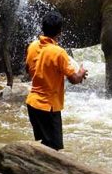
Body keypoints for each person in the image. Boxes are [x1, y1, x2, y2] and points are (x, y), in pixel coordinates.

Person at [25, 10, 88, 151]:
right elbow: (74, 79)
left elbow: (28, 70)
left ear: (43, 28)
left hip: (32, 104)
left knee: (45, 145)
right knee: (54, 149)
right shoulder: (58, 52)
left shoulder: (32, 46)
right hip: (48, 107)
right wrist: (81, 72)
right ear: (60, 32)